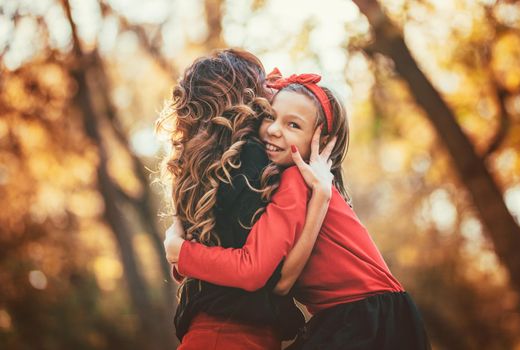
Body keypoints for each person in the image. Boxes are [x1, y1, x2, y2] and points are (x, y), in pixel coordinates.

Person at [165, 71, 431, 349]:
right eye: (269, 116)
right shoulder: (303, 184)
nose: (274, 130)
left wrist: (183, 254)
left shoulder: (295, 179)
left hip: (365, 318)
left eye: (293, 125)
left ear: (322, 141)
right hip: (372, 315)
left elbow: (272, 278)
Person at [158, 51, 336, 349]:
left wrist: (181, 255)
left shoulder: (200, 168)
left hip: (210, 333)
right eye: (264, 88)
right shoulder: (255, 160)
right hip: (231, 337)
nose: (271, 92)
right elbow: (255, 271)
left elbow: (194, 259)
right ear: (246, 96)